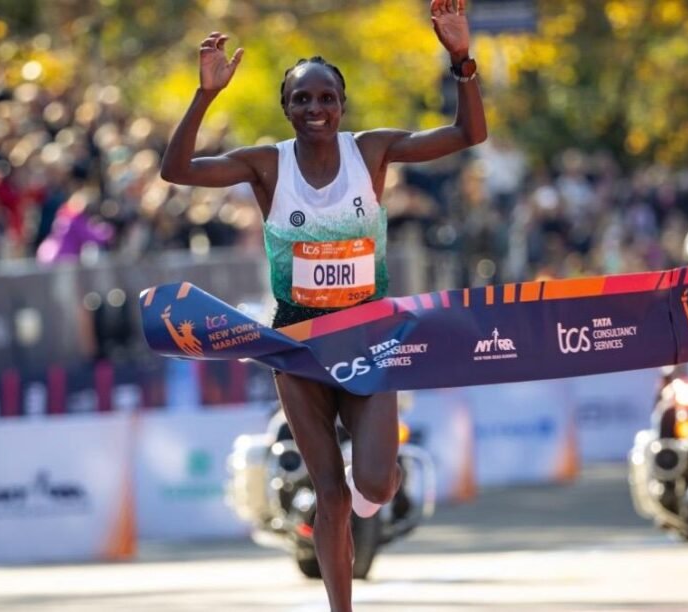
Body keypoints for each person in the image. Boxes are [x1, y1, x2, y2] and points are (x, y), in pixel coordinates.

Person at [160, 1, 485, 609]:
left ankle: (373, 504)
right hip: (299, 343)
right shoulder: (266, 164)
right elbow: (175, 170)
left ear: (342, 104)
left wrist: (461, 58)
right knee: (330, 495)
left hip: (370, 337)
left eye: (326, 97)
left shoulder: (373, 153)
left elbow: (470, 135)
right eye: (302, 99)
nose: (315, 109)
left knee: (376, 484)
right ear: (287, 108)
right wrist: (205, 96)